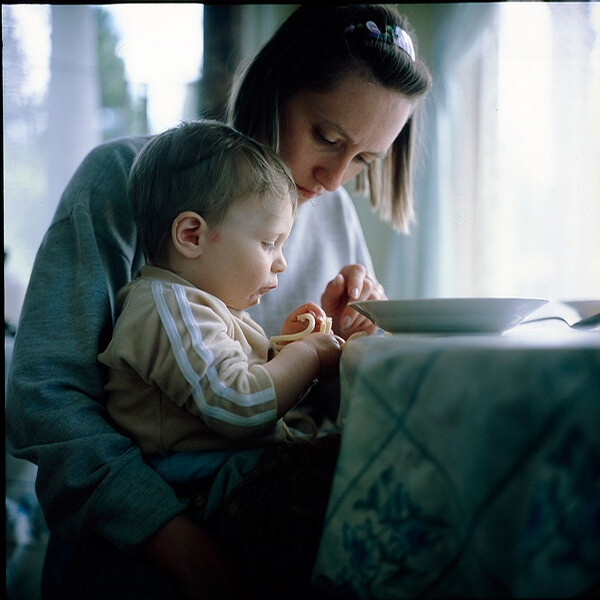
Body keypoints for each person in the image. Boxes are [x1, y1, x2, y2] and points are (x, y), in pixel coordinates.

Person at [6, 4, 431, 599]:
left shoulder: (332, 214)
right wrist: (173, 537)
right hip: (133, 545)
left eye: (363, 160)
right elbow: (44, 399)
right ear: (275, 88)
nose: (334, 179)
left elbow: (316, 416)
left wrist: (350, 342)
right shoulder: (123, 178)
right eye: (326, 137)